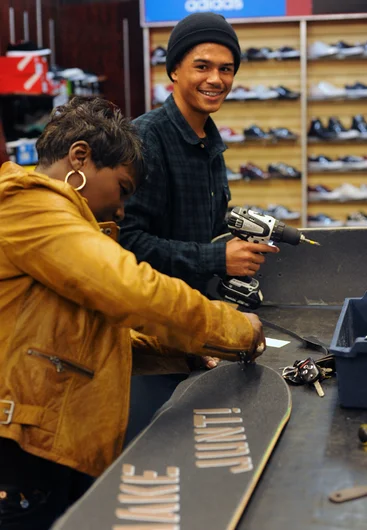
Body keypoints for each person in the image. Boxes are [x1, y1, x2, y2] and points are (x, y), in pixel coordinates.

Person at [0, 96, 265, 530]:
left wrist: (184, 353)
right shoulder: (29, 206)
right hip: (19, 456)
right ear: (80, 157)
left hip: (41, 442)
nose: (122, 210)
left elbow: (96, 337)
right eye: (123, 188)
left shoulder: (49, 221)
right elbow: (131, 290)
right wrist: (232, 326)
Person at [119, 12, 279, 295]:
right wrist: (217, 258)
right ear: (175, 71)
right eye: (202, 67)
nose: (216, 79)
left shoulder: (209, 142)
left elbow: (201, 232)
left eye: (226, 69)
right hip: (155, 316)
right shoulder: (145, 137)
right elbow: (126, 242)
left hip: (197, 308)